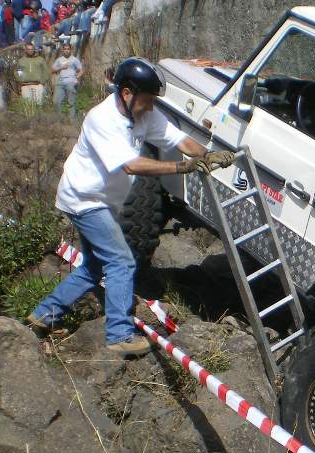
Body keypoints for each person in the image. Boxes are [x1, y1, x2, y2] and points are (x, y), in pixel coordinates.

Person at [27, 57, 235, 355]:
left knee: (94, 267)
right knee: (121, 261)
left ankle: (44, 314)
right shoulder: (102, 119)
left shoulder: (144, 113)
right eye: (148, 100)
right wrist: (181, 168)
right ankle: (118, 335)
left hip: (105, 200)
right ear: (127, 93)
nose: (151, 106)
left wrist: (207, 155)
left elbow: (177, 138)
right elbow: (131, 166)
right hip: (84, 199)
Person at [52, 43, 83, 119]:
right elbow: (53, 69)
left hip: (71, 82)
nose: (66, 51)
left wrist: (76, 78)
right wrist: (61, 67)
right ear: (62, 50)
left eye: (68, 49)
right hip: (60, 82)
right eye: (65, 49)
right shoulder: (59, 60)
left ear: (70, 50)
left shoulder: (74, 59)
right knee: (56, 101)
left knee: (71, 102)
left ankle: (72, 121)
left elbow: (81, 70)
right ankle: (60, 119)